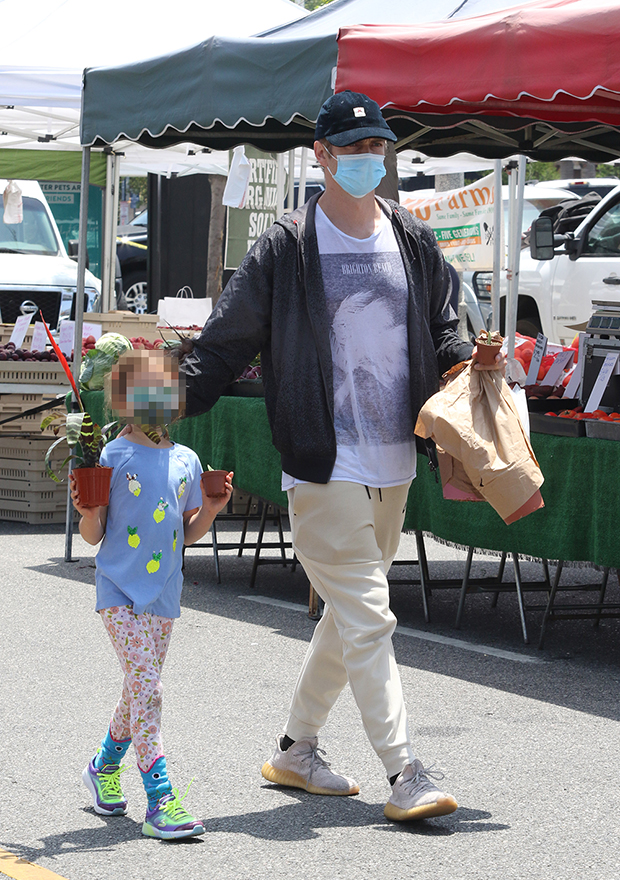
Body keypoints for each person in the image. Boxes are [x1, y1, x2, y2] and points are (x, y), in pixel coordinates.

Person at [180, 91, 503, 822]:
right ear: (320, 156)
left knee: (349, 616)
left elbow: (441, 327)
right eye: (350, 149)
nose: (366, 160)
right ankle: (405, 772)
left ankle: (296, 750)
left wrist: (472, 366)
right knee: (369, 614)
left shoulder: (410, 237)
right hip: (323, 458)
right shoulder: (287, 244)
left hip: (396, 458)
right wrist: (157, 408)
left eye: (375, 148)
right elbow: (227, 342)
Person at [71, 350, 233, 840]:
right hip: (117, 589)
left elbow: (189, 531)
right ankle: (160, 798)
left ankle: (102, 768)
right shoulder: (113, 456)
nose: (157, 398)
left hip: (164, 594)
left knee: (135, 690)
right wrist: (87, 508)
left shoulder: (186, 461)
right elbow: (93, 535)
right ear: (123, 402)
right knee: (149, 688)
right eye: (144, 390)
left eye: (165, 388)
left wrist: (211, 508)